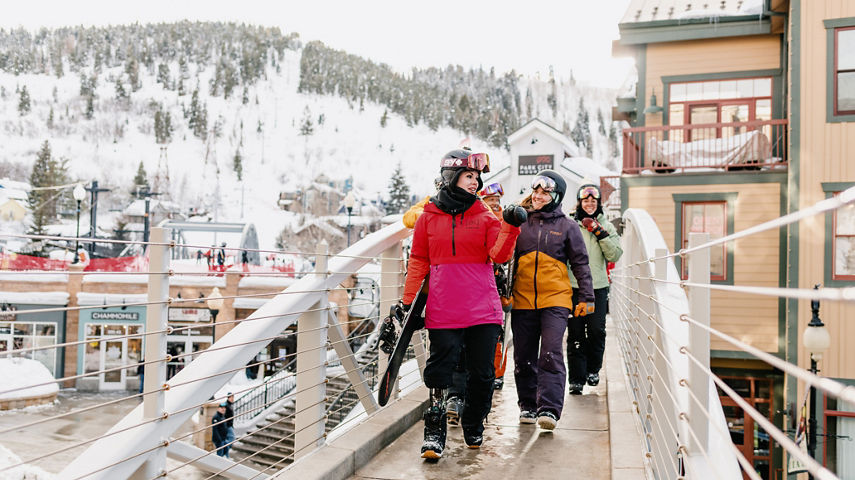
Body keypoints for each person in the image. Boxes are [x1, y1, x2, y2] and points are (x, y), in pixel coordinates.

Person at [401, 149, 525, 459]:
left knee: (483, 373)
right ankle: (434, 430)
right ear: (451, 177)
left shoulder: (484, 215)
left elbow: (500, 255)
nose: (476, 182)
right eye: (470, 176)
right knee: (439, 370)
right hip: (444, 309)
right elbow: (418, 261)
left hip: (483, 308)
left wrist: (509, 226)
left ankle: (473, 423)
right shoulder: (428, 216)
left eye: (477, 177)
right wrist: (408, 303)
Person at [509, 169, 594, 430]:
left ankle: (549, 409)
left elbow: (580, 262)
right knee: (523, 356)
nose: (538, 196)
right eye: (535, 191)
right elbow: (504, 260)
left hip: (556, 300)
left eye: (545, 193)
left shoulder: (567, 226)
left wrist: (587, 297)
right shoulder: (519, 223)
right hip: (522, 300)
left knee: (550, 353)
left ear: (556, 196)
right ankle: (527, 406)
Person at [567, 184, 622, 394]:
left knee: (597, 330)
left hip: (598, 287)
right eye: (585, 200)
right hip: (574, 287)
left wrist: (599, 232)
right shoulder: (570, 225)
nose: (589, 204)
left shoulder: (606, 225)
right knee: (575, 333)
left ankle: (593, 369)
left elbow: (615, 255)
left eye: (593, 201)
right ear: (580, 202)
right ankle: (576, 379)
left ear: (598, 203)